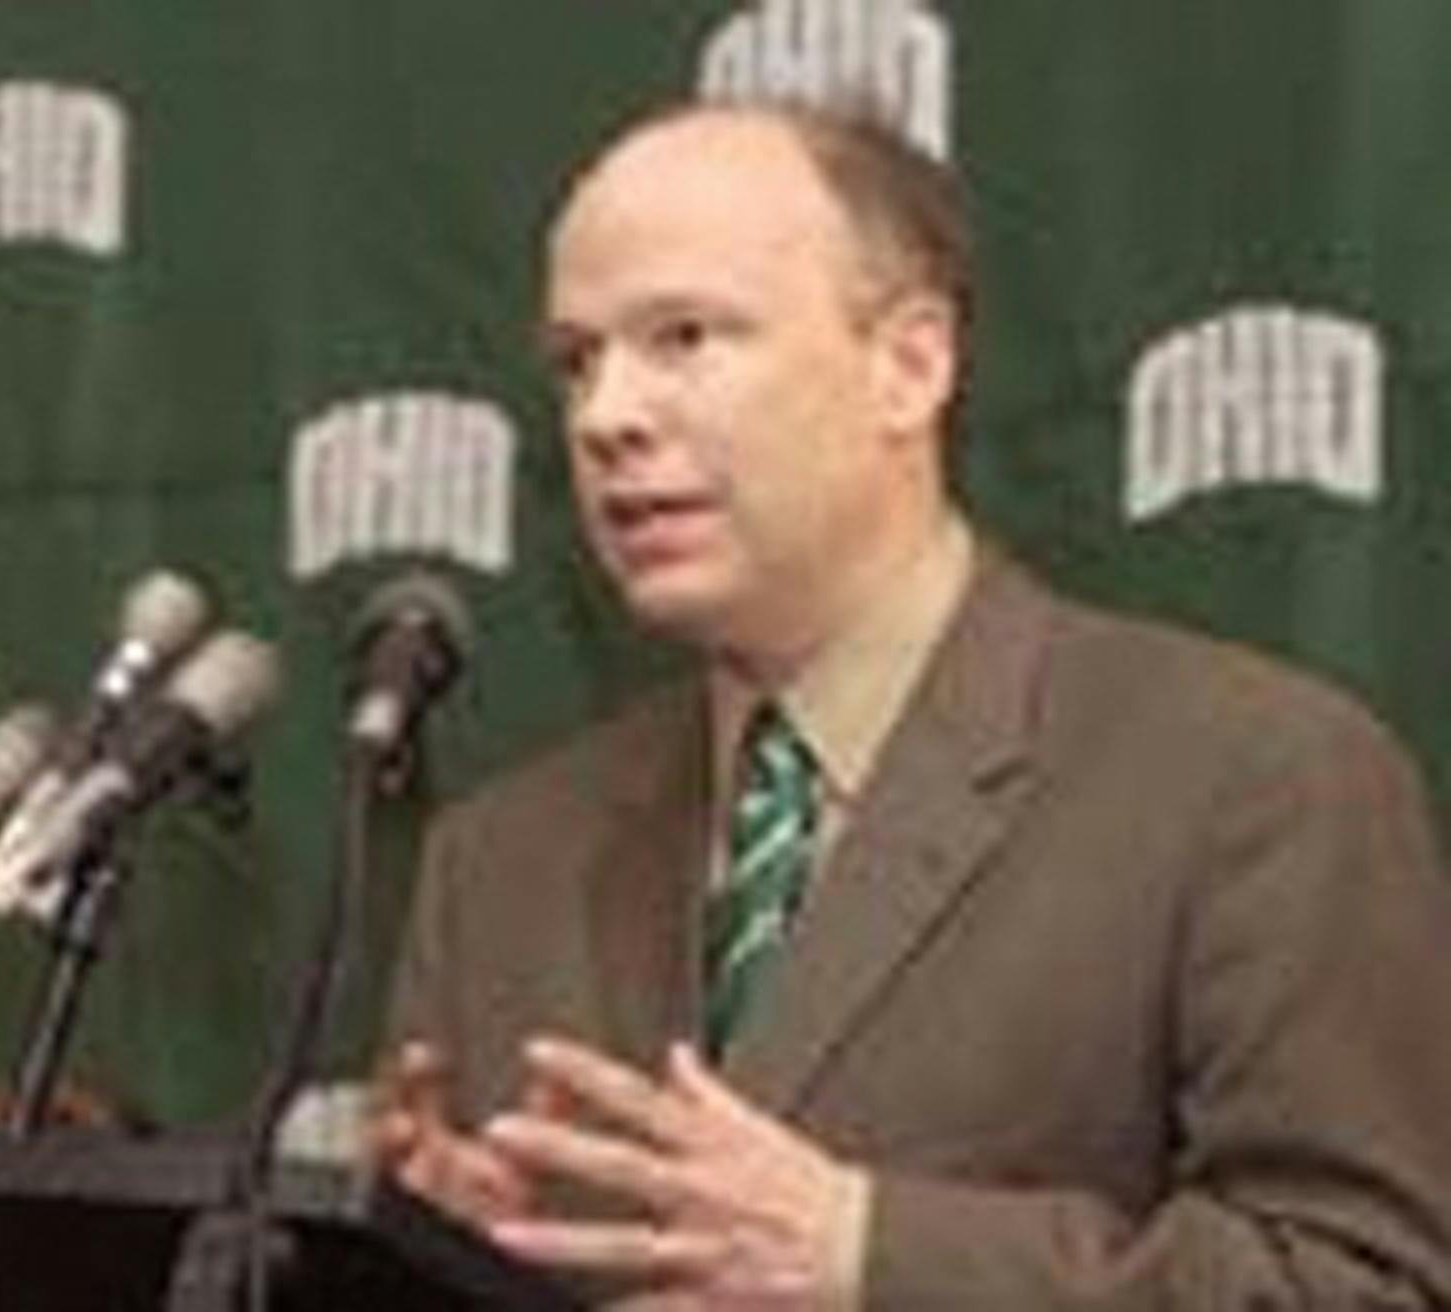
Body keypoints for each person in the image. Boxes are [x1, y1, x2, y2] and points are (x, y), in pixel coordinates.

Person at [370, 98, 1451, 1309]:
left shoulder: (1248, 780)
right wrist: (443, 1270)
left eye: (682, 338)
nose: (604, 415)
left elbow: (1359, 1282)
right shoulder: (497, 865)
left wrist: (864, 1252)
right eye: (575, 360)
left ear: (909, 364)